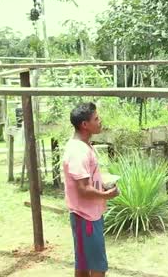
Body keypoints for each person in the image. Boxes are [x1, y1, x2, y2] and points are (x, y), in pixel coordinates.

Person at [63, 102, 119, 277]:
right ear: (84, 125)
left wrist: (102, 184)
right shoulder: (78, 151)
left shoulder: (84, 146)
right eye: (96, 118)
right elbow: (83, 189)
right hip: (86, 217)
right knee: (97, 266)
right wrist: (105, 195)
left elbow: (86, 182)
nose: (100, 121)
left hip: (87, 215)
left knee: (84, 263)